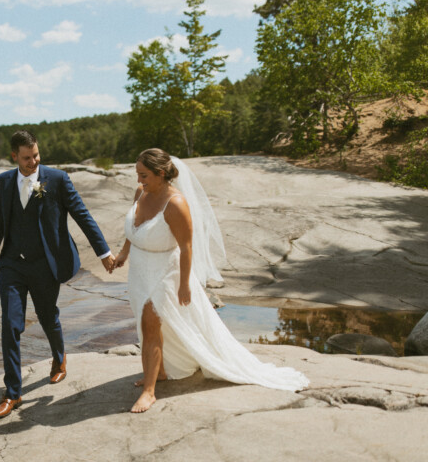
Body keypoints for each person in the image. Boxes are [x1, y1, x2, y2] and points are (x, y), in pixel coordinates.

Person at [113, 148, 309, 413]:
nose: (139, 181)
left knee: (150, 325)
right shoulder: (141, 193)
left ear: (161, 173)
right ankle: (159, 372)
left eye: (144, 175)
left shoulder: (176, 203)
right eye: (138, 175)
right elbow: (135, 225)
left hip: (164, 274)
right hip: (139, 270)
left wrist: (184, 284)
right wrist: (124, 252)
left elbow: (186, 247)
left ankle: (150, 392)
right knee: (146, 322)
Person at [0, 130, 115, 419]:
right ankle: (13, 393)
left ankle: (59, 359)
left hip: (45, 265)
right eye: (27, 157)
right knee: (10, 323)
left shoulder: (56, 179)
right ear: (14, 157)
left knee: (47, 316)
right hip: (12, 265)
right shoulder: (4, 181)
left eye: (36, 156)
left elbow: (82, 215)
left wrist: (103, 253)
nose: (34, 162)